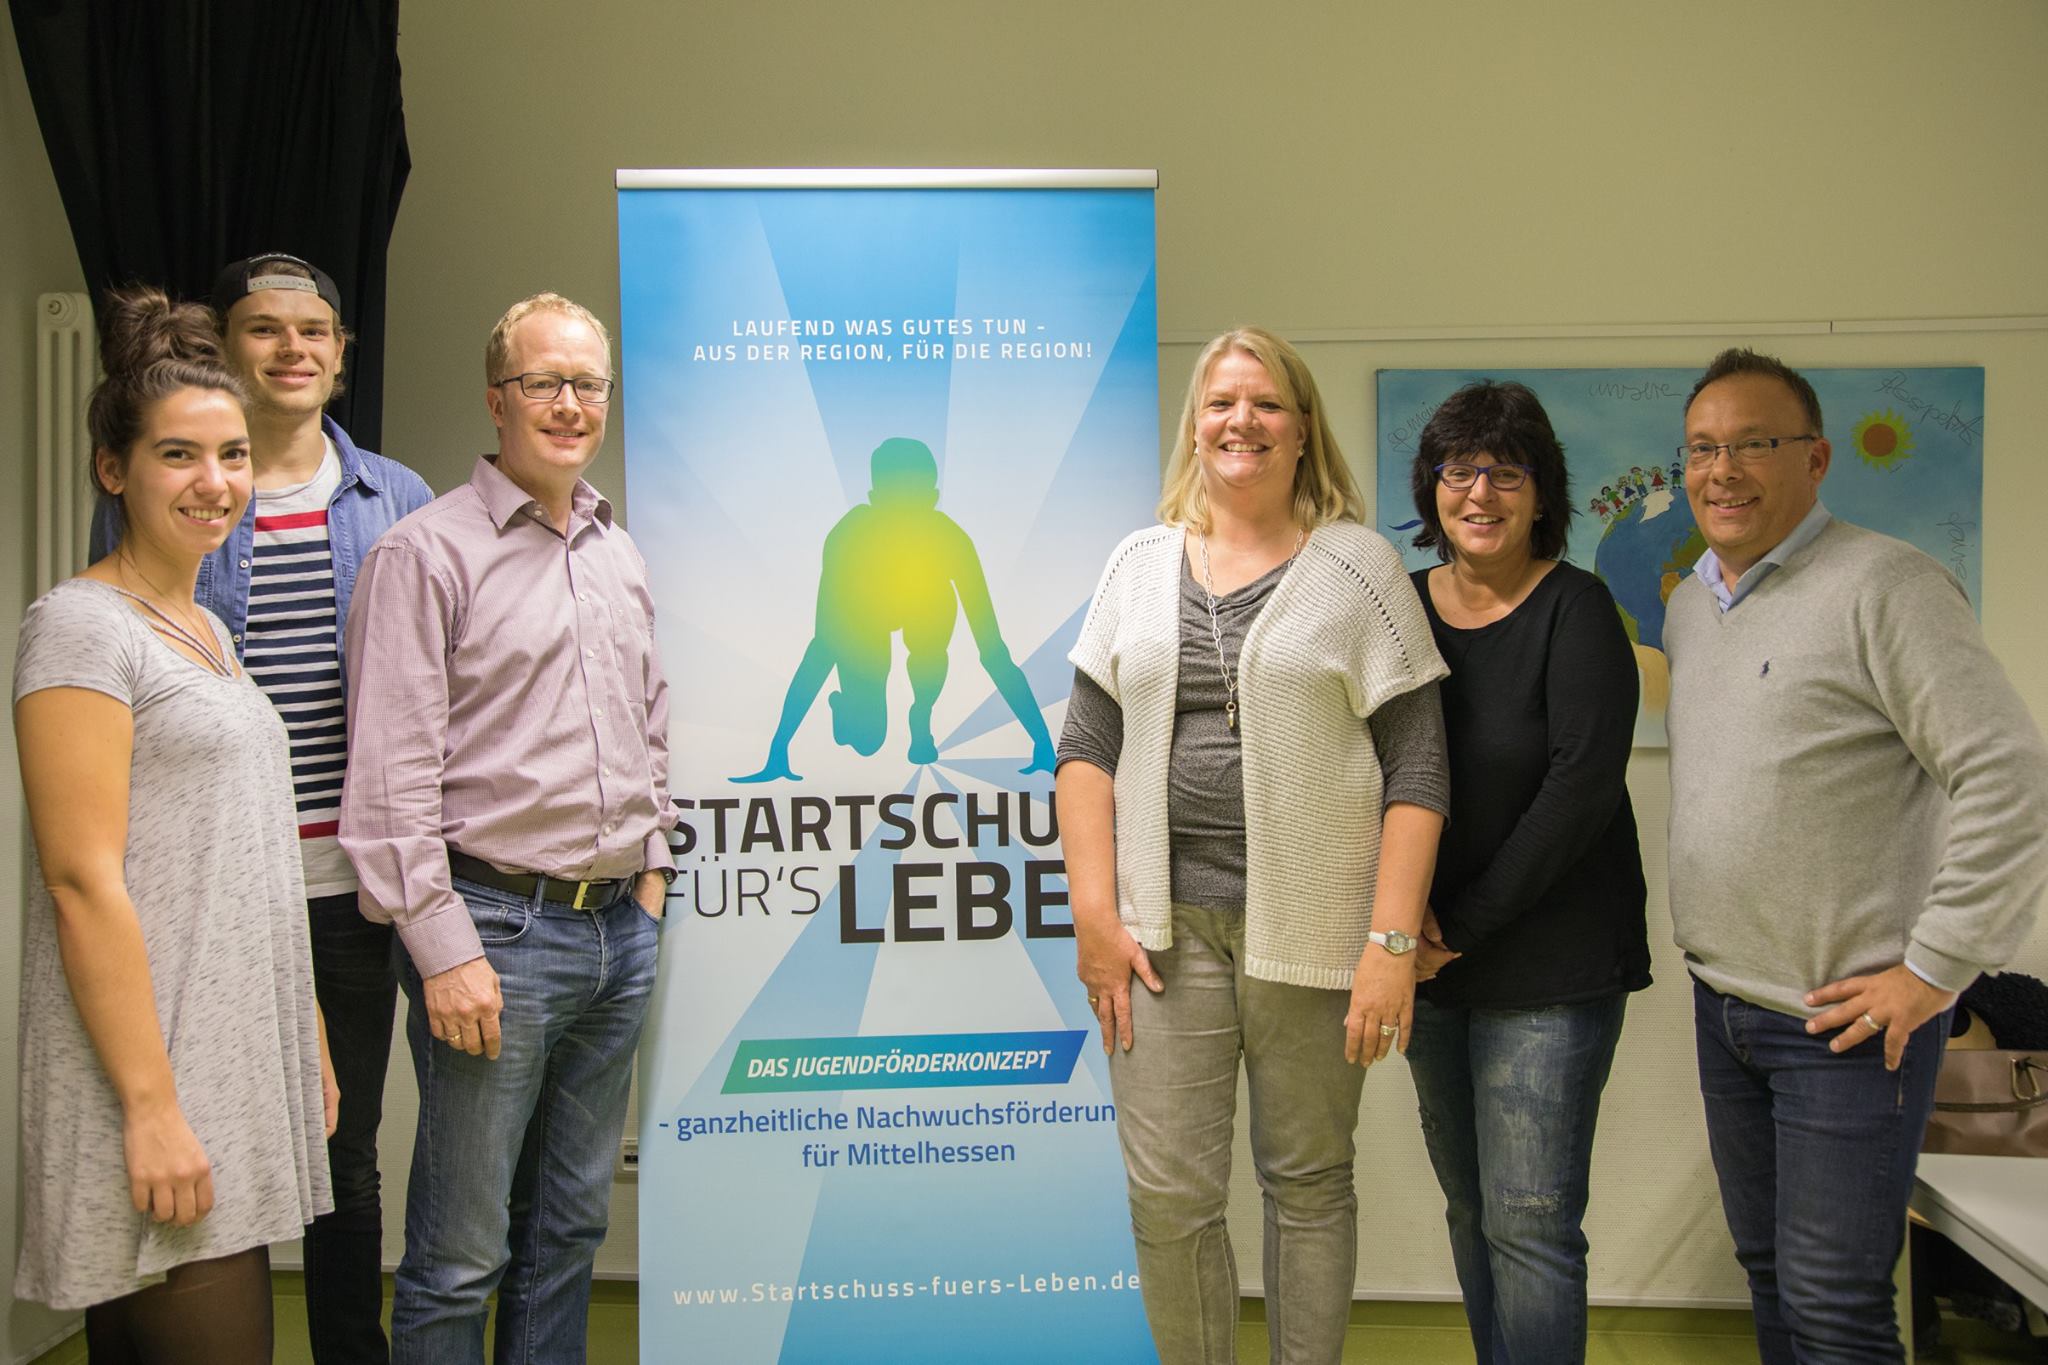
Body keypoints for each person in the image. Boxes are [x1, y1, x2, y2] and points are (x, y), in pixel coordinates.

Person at [1056, 327, 1449, 1364]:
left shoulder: (1359, 569)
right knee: (1168, 1194)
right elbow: (1085, 751)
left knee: (1308, 1182)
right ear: (1195, 426)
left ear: (1303, 427)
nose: (1243, 421)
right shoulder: (1137, 564)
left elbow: (1417, 771)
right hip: (1159, 937)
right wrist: (1093, 918)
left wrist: (1390, 944)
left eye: (1267, 402)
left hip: (1315, 938)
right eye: (1222, 402)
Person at [1666, 347, 2048, 1362]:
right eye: (1701, 448)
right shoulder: (1691, 604)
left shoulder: (1887, 584)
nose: (1722, 469)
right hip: (1724, 1004)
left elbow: (2009, 774)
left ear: (1816, 457)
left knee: (1834, 1302)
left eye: (1753, 443)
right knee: (1769, 1274)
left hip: (1844, 1027)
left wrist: (1933, 969)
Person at [92, 250, 432, 1364]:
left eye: (314, 330)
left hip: (345, 887)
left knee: (344, 1158)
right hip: (205, 891)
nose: (293, 348)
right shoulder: (183, 499)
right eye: (264, 328)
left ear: (340, 355)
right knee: (180, 1145)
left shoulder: (398, 501)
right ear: (224, 350)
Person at [339, 292, 678, 1364]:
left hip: (616, 932)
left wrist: (651, 878)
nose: (570, 405)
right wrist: (442, 950)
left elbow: (650, 723)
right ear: (497, 400)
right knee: (460, 1254)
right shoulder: (425, 554)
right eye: (544, 383)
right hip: (494, 934)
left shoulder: (616, 551)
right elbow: (387, 777)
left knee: (568, 1231)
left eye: (589, 385)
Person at [13, 287, 334, 1357]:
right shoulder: (81, 627)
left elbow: (233, 854)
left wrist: (304, 1030)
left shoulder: (204, 629)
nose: (215, 482)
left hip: (227, 1056)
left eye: (233, 454)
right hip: (150, 1075)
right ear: (115, 469)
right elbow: (82, 882)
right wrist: (150, 1107)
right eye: (179, 456)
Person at [1401, 381, 1650, 1364]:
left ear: (1543, 493)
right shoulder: (1396, 608)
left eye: (1507, 473)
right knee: (1469, 1210)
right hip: (1428, 962)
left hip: (1548, 964)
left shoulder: (1576, 609)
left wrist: (1453, 929)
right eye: (1459, 470)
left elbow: (1576, 793)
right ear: (1430, 489)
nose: (1480, 493)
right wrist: (1402, 929)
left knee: (1530, 1219)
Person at [733, 434, 1056, 781]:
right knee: (867, 740)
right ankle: (845, 708)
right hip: (864, 622)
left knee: (932, 610)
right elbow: (822, 646)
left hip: (924, 617)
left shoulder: (950, 540)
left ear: (932, 499)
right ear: (875, 499)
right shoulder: (849, 536)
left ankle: (921, 714)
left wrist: (1041, 740)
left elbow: (992, 650)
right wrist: (780, 745)